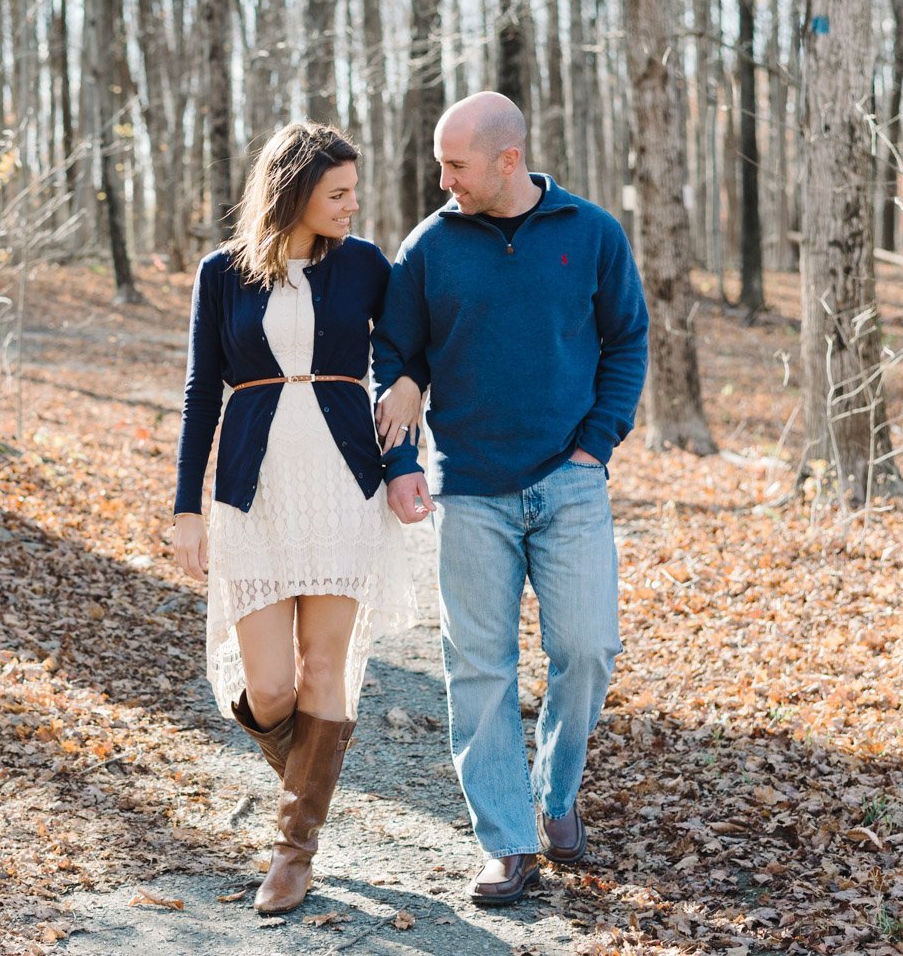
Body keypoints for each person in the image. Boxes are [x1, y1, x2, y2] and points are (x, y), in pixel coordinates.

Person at [372, 91, 648, 907]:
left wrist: (598, 443)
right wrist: (401, 461)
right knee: (479, 670)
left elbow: (626, 339)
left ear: (507, 159)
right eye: (439, 162)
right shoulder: (428, 246)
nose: (442, 177)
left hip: (569, 481)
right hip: (470, 488)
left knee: (589, 649)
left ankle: (556, 797)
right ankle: (506, 842)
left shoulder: (590, 233)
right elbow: (396, 354)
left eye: (455, 164)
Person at [171, 121, 423, 916]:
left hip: (344, 484)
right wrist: (187, 508)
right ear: (293, 193)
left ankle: (293, 850)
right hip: (254, 490)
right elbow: (199, 395)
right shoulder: (224, 274)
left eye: (354, 191)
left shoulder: (367, 266)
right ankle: (310, 775)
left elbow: (412, 347)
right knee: (272, 688)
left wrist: (411, 384)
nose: (353, 205)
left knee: (323, 670)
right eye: (337, 193)